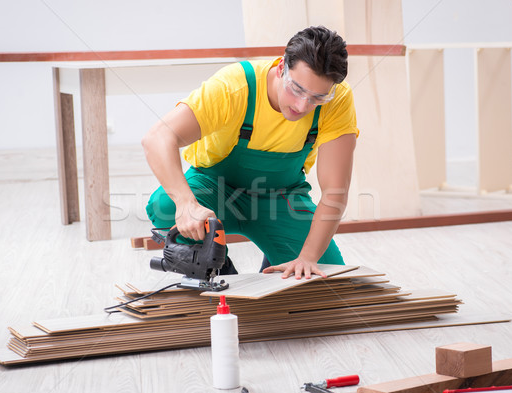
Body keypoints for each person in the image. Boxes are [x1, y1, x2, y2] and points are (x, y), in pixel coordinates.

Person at [142, 26, 358, 280]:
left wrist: (308, 257)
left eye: (317, 98)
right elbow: (156, 138)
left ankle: (276, 262)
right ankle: (222, 277)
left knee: (325, 280)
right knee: (165, 205)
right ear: (281, 68)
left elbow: (335, 190)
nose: (303, 106)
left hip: (282, 196)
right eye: (297, 90)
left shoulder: (338, 101)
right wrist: (186, 205)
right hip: (215, 187)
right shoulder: (234, 87)